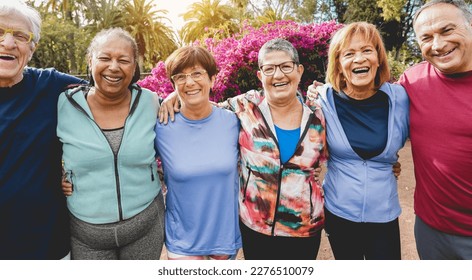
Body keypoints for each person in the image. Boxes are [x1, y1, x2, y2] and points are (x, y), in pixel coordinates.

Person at [160, 38, 329, 260]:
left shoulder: (319, 115)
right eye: (269, 69)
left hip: (305, 228)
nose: (278, 75)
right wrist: (177, 93)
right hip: (255, 227)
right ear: (260, 76)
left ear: (299, 71)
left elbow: (342, 155)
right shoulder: (244, 107)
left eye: (286, 66)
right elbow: (203, 108)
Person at [57, 28, 165, 260]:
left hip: (145, 226)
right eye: (105, 58)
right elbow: (35, 141)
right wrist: (55, 172)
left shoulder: (151, 101)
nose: (114, 67)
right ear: (90, 60)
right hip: (88, 235)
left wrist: (178, 97)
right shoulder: (63, 104)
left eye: (123, 60)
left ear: (135, 66)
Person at [310, 22, 409, 260]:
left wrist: (392, 164)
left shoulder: (400, 99)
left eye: (367, 50)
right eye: (349, 53)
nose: (359, 59)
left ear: (378, 58)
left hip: (384, 213)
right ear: (339, 64)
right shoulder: (322, 100)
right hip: (339, 212)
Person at [0, 0, 85, 259]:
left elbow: (112, 90)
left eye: (20, 36)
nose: (8, 43)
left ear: (32, 48)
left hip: (47, 247)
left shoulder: (51, 85)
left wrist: (173, 99)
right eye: (0, 32)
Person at [397, 0, 472, 259]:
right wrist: (325, 94)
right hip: (430, 231)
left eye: (447, 30)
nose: (438, 45)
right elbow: (372, 108)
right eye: (426, 37)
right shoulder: (411, 81)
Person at [154, 46, 241, 260]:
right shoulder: (161, 126)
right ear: (173, 84)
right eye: (180, 77)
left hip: (224, 240)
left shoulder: (234, 122)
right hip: (182, 242)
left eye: (197, 73)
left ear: (212, 79)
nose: (189, 82)